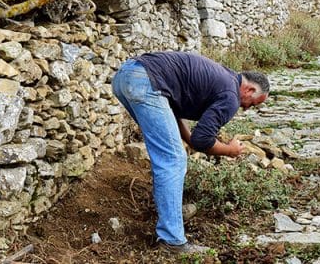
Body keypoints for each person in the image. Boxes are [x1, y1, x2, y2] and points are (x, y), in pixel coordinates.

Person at [111, 51, 269, 255]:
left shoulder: (223, 78)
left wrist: (190, 141)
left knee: (171, 157)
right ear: (249, 89)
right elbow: (203, 139)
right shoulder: (231, 96)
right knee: (173, 161)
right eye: (252, 103)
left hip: (126, 76)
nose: (246, 108)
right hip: (145, 81)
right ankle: (172, 241)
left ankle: (170, 227)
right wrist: (229, 150)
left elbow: (174, 113)